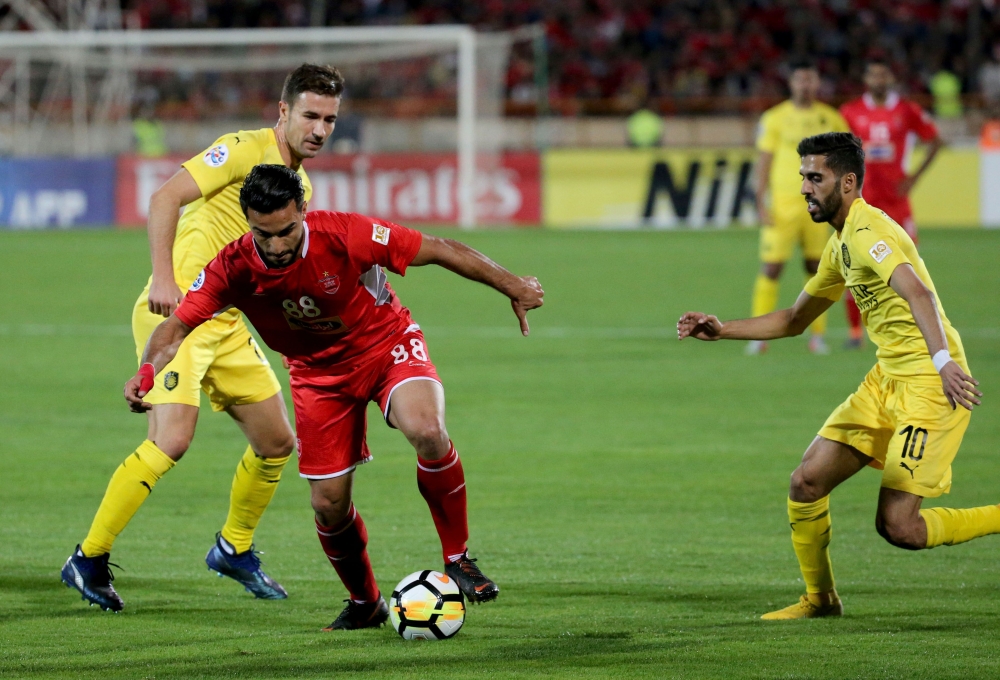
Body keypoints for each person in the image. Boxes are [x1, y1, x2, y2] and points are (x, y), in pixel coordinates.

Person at [124, 164, 544, 630]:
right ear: (248, 222)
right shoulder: (232, 267)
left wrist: (514, 285)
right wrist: (146, 370)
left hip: (385, 344)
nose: (277, 246)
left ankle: (458, 557)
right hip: (317, 376)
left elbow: (439, 249)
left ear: (303, 210)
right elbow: (175, 328)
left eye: (286, 230)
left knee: (427, 429)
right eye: (264, 235)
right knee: (328, 504)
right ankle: (366, 603)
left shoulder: (347, 234)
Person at [61, 64, 344, 612]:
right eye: (310, 115)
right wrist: (164, 277)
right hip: (178, 317)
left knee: (277, 442)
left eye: (329, 119)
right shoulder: (241, 149)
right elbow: (165, 197)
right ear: (283, 111)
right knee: (171, 439)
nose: (319, 129)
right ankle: (88, 558)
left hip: (226, 325)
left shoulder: (300, 187)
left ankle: (233, 548)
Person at [678, 132, 991, 620]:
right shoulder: (840, 244)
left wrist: (942, 361)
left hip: (931, 386)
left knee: (900, 527)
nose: (804, 187)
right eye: (803, 176)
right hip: (886, 380)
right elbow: (794, 320)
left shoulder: (869, 233)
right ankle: (820, 600)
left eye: (815, 177)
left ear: (847, 182)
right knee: (806, 482)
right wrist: (722, 330)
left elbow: (919, 294)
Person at [840, 58, 943, 348]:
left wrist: (914, 178)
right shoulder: (849, 112)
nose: (878, 80)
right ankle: (855, 332)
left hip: (897, 202)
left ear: (891, 78)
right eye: (873, 75)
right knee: (854, 266)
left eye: (883, 74)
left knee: (911, 267)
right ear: (866, 79)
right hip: (861, 202)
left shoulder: (907, 110)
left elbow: (935, 141)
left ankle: (915, 329)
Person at [751, 59, 850, 356]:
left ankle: (817, 336)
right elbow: (764, 160)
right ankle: (758, 337)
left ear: (817, 83)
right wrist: (759, 201)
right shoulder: (774, 118)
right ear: (791, 83)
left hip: (820, 206)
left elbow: (847, 161)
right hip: (782, 207)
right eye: (800, 80)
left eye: (810, 80)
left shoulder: (831, 118)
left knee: (818, 269)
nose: (805, 85)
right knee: (771, 267)